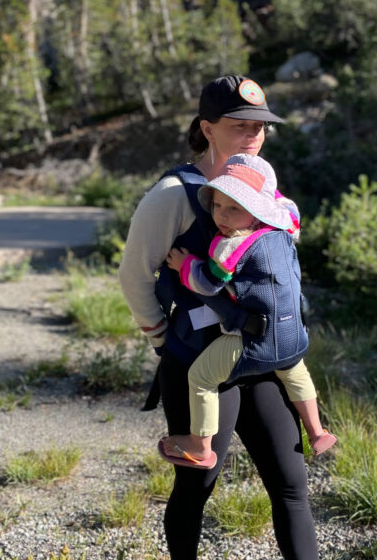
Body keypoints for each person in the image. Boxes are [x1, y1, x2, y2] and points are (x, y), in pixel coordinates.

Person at [118, 75, 319, 560]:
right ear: (207, 129)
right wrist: (163, 341)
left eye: (261, 126)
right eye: (240, 125)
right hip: (201, 364)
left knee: (292, 484)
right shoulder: (173, 195)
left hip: (260, 357)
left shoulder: (259, 186)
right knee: (198, 486)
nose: (254, 134)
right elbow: (133, 276)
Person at [157, 153, 336, 470]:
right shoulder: (284, 228)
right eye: (217, 206)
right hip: (294, 337)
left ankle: (199, 446)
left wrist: (184, 265)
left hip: (254, 340)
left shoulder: (230, 246)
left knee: (200, 377)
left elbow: (207, 283)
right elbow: (286, 206)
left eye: (233, 208)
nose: (221, 216)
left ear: (254, 210)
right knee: (296, 375)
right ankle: (317, 431)